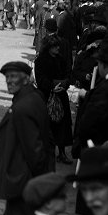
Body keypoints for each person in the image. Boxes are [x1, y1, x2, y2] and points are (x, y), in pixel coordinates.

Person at [0, 61, 52, 215]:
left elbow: (34, 151)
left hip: (22, 184)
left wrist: (31, 183)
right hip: (25, 183)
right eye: (7, 77)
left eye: (14, 76)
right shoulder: (31, 98)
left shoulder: (23, 107)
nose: (9, 81)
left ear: (26, 79)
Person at [34, 35, 73, 165]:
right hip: (46, 96)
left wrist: (64, 85)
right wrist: (51, 87)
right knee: (46, 126)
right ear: (49, 47)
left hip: (61, 96)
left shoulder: (61, 59)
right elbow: (40, 79)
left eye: (58, 46)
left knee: (62, 126)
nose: (57, 48)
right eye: (55, 46)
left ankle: (62, 152)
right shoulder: (41, 60)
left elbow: (68, 74)